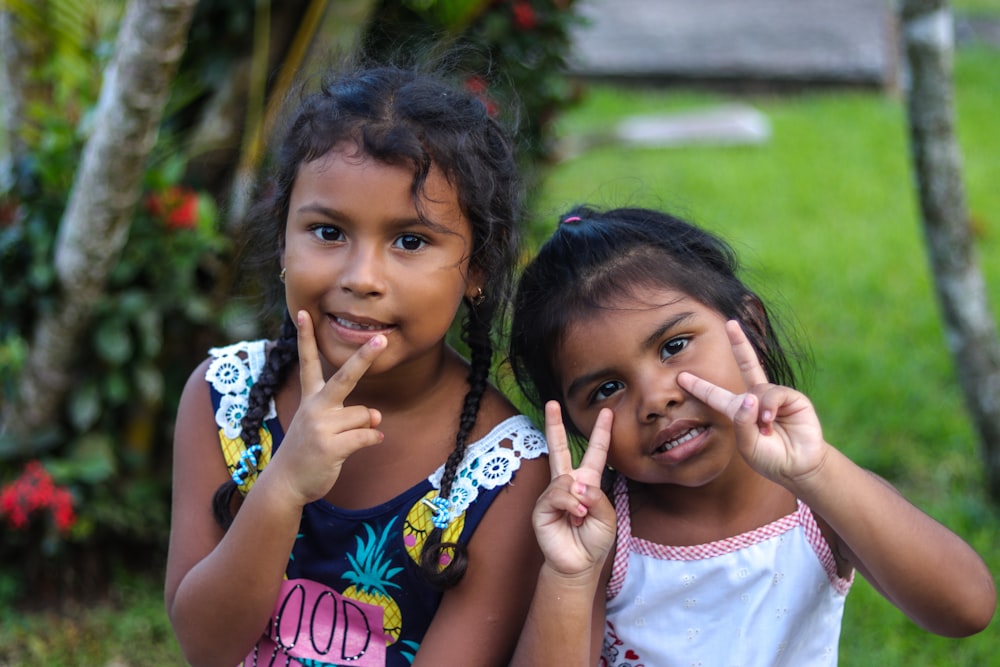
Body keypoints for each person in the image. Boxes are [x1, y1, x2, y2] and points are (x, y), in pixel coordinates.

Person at [164, 64, 551, 667]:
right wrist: (283, 486)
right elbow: (205, 647)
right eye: (327, 231)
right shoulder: (226, 399)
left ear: (477, 266)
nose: (361, 278)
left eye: (410, 241)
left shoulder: (506, 471)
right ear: (284, 238)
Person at [507, 205, 996, 666]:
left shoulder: (819, 501)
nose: (656, 400)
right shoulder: (602, 536)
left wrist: (818, 470)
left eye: (674, 346)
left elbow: (965, 609)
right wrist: (570, 576)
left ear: (751, 326)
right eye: (607, 389)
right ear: (574, 421)